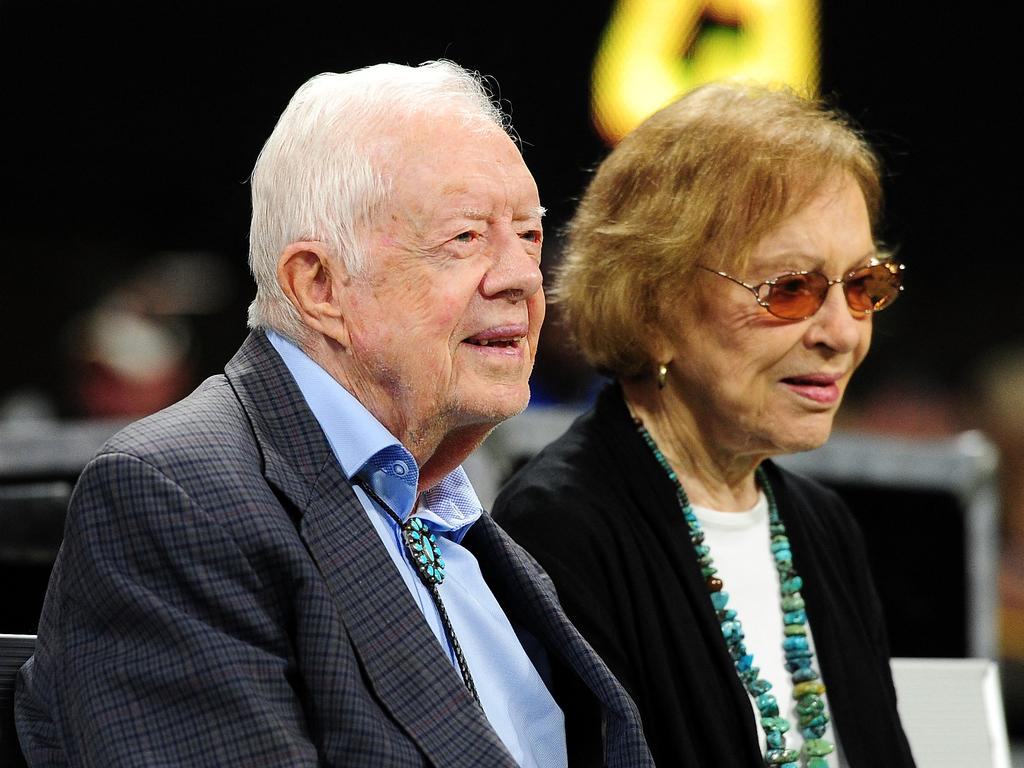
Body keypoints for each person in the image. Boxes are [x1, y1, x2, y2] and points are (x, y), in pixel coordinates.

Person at [15, 61, 653, 768]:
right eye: (466, 238)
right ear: (318, 284)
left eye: (529, 237)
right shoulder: (175, 500)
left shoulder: (450, 515)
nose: (521, 281)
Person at [492, 82, 917, 767]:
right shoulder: (559, 531)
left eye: (864, 286)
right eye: (790, 289)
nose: (842, 332)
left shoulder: (822, 526)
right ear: (653, 308)